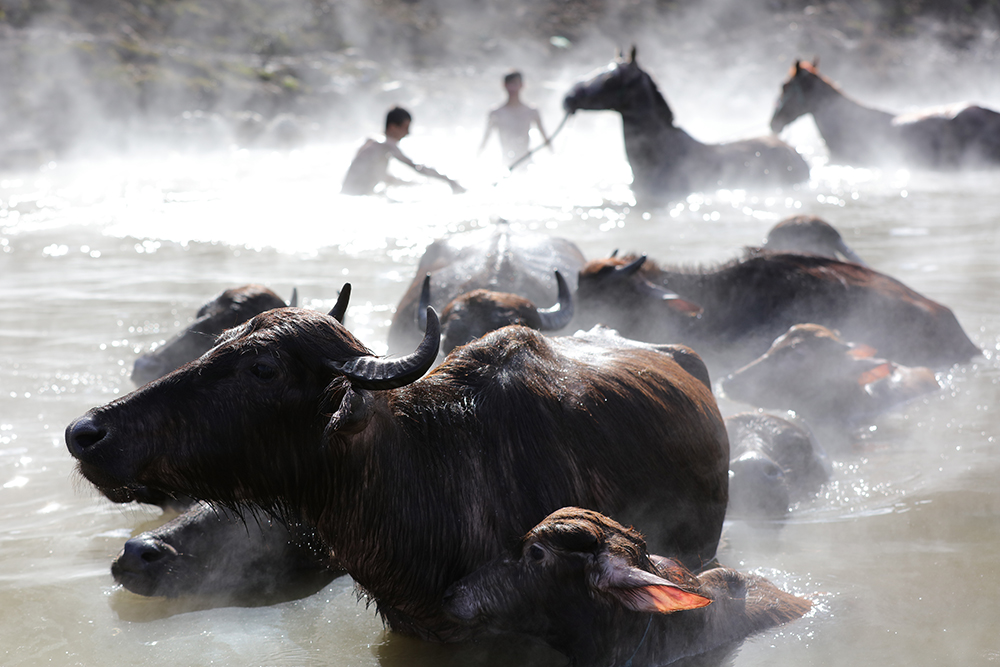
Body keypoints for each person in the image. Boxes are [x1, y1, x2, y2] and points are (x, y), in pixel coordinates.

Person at [342, 106, 465, 195]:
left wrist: (417, 185)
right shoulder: (386, 145)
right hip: (358, 196)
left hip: (348, 194)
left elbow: (377, 176)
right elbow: (416, 167)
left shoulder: (371, 141)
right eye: (405, 128)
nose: (408, 133)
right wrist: (449, 180)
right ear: (392, 127)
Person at [479, 71, 551, 167]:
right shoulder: (496, 113)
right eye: (509, 84)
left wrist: (553, 156)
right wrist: (477, 159)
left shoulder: (531, 111)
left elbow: (545, 138)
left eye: (515, 84)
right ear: (504, 85)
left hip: (526, 161)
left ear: (522, 85)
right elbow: (485, 140)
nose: (512, 88)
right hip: (506, 162)